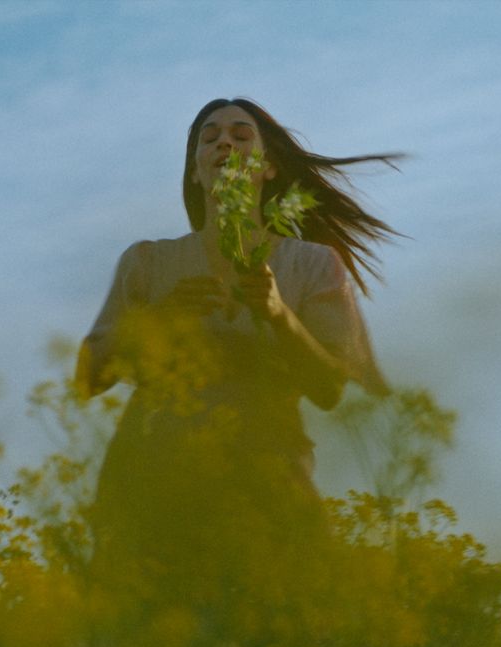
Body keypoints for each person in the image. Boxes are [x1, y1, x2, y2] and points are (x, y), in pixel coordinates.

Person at [75, 98, 400, 605]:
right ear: (197, 171)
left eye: (241, 135)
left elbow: (333, 389)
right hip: (152, 488)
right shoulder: (147, 262)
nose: (223, 142)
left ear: (268, 168)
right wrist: (157, 322)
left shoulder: (313, 265)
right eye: (208, 138)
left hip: (268, 483)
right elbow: (87, 378)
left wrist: (276, 312)